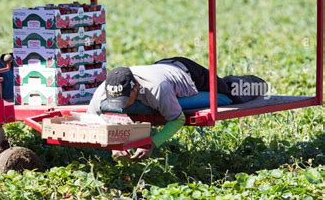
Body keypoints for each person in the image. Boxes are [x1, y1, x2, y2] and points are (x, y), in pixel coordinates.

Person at [87, 57, 267, 159]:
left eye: (126, 100)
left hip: (189, 73)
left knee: (228, 96)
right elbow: (91, 119)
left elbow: (177, 118)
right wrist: (113, 144)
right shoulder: (105, 88)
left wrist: (152, 142)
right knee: (157, 104)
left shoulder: (157, 88)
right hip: (163, 69)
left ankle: (250, 84)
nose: (122, 105)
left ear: (135, 88)